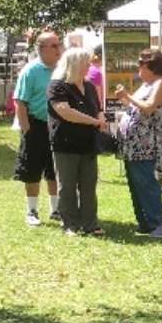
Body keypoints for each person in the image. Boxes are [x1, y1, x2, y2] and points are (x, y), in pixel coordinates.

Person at [117, 50, 162, 238]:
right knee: (136, 184)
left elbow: (149, 107)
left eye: (140, 64)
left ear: (150, 66)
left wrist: (127, 97)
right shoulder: (146, 85)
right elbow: (138, 108)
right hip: (134, 145)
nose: (138, 68)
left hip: (148, 144)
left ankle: (159, 224)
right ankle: (145, 222)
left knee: (146, 183)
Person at [48, 47, 106, 236]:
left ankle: (91, 223)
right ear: (73, 64)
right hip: (66, 144)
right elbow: (65, 112)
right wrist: (94, 121)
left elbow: (97, 107)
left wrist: (100, 117)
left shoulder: (88, 86)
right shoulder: (57, 86)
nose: (88, 67)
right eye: (85, 63)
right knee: (67, 186)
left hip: (88, 143)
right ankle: (70, 224)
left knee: (89, 185)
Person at [13, 31, 63, 226]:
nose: (59, 48)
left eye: (59, 44)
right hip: (35, 125)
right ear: (43, 49)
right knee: (31, 169)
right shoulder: (30, 71)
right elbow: (20, 101)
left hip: (58, 126)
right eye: (55, 45)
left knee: (55, 168)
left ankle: (56, 209)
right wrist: (26, 128)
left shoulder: (62, 69)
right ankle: (31, 211)